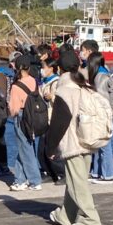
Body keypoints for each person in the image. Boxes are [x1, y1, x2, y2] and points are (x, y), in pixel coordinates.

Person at [42, 47, 102, 225]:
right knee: (75, 180)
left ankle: (91, 219)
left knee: (78, 183)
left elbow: (59, 121)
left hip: (72, 142)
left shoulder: (64, 89)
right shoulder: (85, 85)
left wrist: (50, 147)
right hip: (87, 138)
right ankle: (66, 215)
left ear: (60, 69)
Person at [7, 53, 43, 191]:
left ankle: (35, 180)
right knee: (25, 147)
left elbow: (14, 109)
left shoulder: (16, 86)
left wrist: (10, 112)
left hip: (21, 117)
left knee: (25, 149)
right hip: (33, 116)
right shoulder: (34, 81)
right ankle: (20, 179)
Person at [89, 51, 113, 184]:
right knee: (99, 143)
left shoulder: (99, 77)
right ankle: (97, 172)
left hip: (104, 114)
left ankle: (108, 174)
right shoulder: (105, 73)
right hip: (108, 113)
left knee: (104, 144)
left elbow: (100, 98)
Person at [37, 55, 65, 184]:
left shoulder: (56, 82)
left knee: (53, 149)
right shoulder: (44, 81)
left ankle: (62, 173)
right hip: (44, 119)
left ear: (51, 68)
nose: (42, 69)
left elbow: (60, 99)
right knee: (41, 150)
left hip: (52, 119)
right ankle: (48, 172)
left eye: (44, 67)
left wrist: (51, 97)